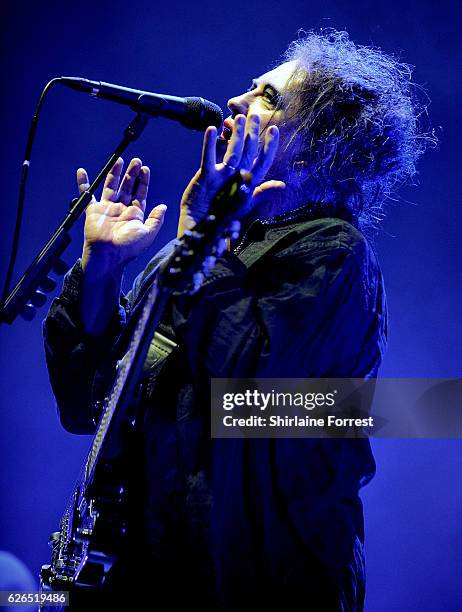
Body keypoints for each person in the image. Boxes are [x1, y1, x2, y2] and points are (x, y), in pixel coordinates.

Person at [43, 29, 431, 611]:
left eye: (269, 97)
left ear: (317, 143)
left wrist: (199, 231)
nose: (236, 101)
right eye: (250, 87)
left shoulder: (334, 253)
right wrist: (101, 273)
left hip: (249, 583)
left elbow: (240, 399)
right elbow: (87, 405)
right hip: (142, 574)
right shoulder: (218, 248)